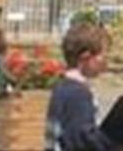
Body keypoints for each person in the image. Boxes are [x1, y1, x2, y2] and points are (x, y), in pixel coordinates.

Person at [45, 23, 116, 151]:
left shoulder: (63, 87)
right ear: (86, 57)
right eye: (102, 55)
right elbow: (82, 139)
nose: (106, 61)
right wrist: (117, 139)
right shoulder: (78, 94)